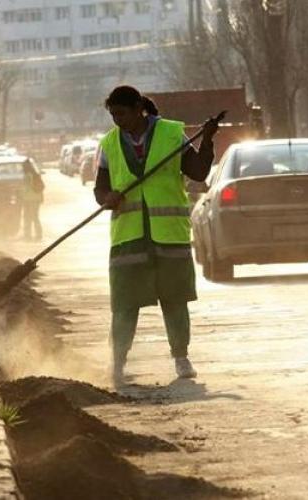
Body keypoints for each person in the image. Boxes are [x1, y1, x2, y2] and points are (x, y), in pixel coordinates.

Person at [94, 85, 219, 385]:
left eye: (122, 113)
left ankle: (181, 357)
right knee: (125, 303)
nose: (118, 120)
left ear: (139, 108)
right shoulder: (109, 144)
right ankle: (118, 363)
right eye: (113, 115)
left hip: (168, 235)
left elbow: (199, 172)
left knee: (174, 299)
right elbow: (100, 188)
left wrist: (208, 140)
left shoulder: (171, 135)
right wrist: (107, 197)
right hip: (129, 235)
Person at [21, 159, 44, 241]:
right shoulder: (36, 175)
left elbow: (25, 189)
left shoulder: (27, 176)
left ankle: (27, 236)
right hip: (36, 199)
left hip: (28, 199)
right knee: (35, 217)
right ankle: (38, 235)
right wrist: (41, 198)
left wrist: (19, 195)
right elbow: (41, 188)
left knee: (27, 217)